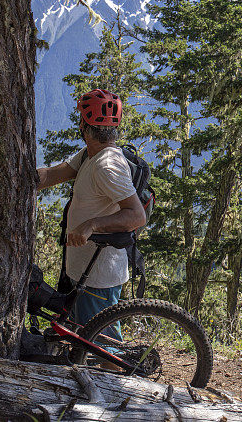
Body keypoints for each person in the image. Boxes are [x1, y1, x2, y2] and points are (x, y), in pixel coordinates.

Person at [36, 89, 146, 329]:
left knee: (103, 348)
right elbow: (52, 175)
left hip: (99, 275)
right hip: (83, 268)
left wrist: (91, 224)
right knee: (82, 340)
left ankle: (120, 367)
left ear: (84, 128)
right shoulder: (90, 154)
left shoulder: (107, 166)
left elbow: (137, 216)